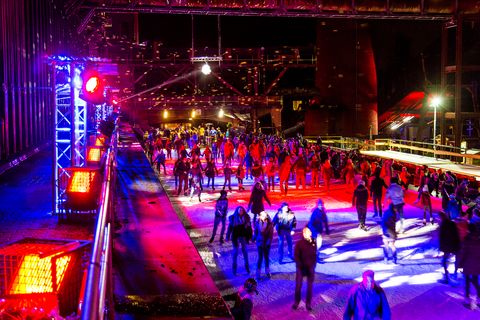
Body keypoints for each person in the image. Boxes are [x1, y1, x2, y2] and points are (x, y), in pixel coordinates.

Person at [292, 227, 317, 312]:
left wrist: (313, 264)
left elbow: (314, 254)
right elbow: (296, 256)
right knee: (298, 286)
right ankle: (296, 302)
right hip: (301, 268)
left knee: (310, 287)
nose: (308, 233)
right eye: (306, 232)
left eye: (309, 232)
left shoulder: (313, 242)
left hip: (310, 268)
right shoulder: (299, 243)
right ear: (303, 234)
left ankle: (308, 303)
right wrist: (300, 266)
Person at [457, 225, 480, 310]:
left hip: (467, 264)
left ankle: (467, 299)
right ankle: (479, 299)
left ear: (469, 231)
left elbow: (462, 254)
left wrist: (459, 265)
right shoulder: (479, 240)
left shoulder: (466, 240)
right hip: (477, 264)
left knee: (466, 281)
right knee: (476, 281)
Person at [226, 206, 252, 276]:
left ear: (243, 211)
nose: (241, 211)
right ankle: (234, 269)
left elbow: (249, 228)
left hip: (243, 236)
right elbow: (230, 228)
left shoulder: (246, 218)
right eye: (239, 210)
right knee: (235, 252)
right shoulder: (233, 218)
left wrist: (250, 237)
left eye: (242, 210)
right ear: (237, 211)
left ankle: (247, 267)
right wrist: (227, 236)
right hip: (235, 237)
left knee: (245, 252)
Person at [439, 211, 460, 284]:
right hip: (453, 245)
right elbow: (456, 234)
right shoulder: (452, 224)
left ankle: (447, 277)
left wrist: (441, 247)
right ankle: (454, 273)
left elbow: (441, 237)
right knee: (454, 259)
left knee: (445, 261)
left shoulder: (443, 225)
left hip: (447, 246)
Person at [253, 211, 274, 279]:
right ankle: (258, 273)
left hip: (266, 243)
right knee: (260, 258)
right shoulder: (257, 222)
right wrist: (253, 238)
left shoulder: (270, 224)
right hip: (259, 242)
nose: (262, 216)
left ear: (266, 216)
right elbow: (256, 232)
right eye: (261, 215)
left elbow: (271, 234)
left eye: (263, 215)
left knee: (266, 258)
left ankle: (267, 272)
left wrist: (268, 242)